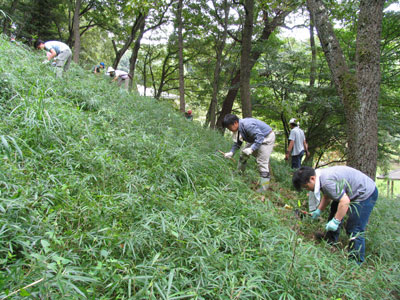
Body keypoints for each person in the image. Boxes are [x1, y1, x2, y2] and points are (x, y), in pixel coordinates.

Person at [292, 166, 378, 264]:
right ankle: (330, 240)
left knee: (355, 228)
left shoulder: (327, 181)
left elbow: (345, 201)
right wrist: (318, 211)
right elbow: (328, 195)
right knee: (334, 209)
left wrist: (336, 221)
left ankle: (355, 261)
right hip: (351, 191)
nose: (307, 190)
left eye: (306, 187)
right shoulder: (320, 177)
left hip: (366, 193)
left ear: (312, 178)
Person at [223, 114, 275, 192]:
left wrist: (251, 149)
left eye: (229, 127)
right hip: (256, 139)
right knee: (243, 154)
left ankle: (264, 188)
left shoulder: (248, 125)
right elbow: (238, 143)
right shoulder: (238, 129)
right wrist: (231, 152)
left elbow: (260, 137)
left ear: (235, 123)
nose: (229, 129)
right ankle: (239, 175)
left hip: (266, 137)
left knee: (262, 162)